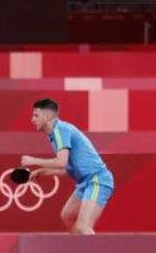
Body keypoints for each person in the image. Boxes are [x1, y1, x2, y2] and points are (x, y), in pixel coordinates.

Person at [21, 98, 115, 235]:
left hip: (97, 180)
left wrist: (34, 160)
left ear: (47, 116)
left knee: (84, 225)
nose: (32, 119)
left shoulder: (61, 130)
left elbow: (61, 162)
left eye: (36, 115)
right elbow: (68, 168)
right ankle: (80, 250)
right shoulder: (55, 134)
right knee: (68, 216)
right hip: (84, 183)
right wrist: (43, 171)